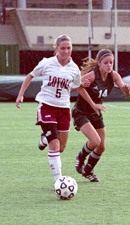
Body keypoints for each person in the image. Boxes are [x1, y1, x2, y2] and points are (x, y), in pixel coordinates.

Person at [16, 34, 103, 183]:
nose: (66, 51)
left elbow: (77, 87)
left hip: (63, 109)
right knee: (54, 145)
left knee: (61, 147)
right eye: (62, 48)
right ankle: (59, 181)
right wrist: (20, 95)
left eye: (69, 48)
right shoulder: (47, 63)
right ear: (56, 48)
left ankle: (44, 139)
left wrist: (92, 103)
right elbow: (30, 76)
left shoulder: (74, 68)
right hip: (46, 106)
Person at [72, 49, 130, 182]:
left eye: (111, 62)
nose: (109, 65)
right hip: (81, 112)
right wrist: (92, 103)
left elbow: (127, 94)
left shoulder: (114, 76)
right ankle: (80, 158)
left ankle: (88, 171)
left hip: (96, 113)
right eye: (106, 63)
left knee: (102, 146)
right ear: (99, 63)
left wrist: (127, 91)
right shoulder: (92, 75)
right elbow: (74, 86)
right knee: (95, 141)